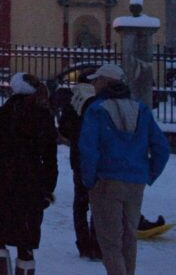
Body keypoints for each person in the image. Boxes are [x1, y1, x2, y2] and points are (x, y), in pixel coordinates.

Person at [80, 63, 170, 275]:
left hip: (106, 181)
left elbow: (88, 148)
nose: (93, 83)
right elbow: (162, 148)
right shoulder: (141, 109)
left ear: (106, 82)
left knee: (110, 242)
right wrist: (148, 174)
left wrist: (89, 179)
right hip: (135, 182)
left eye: (97, 79)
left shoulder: (96, 110)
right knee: (129, 237)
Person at [0, 73, 57, 275]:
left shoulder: (6, 112)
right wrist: (47, 188)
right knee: (25, 242)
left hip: (5, 180)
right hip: (33, 183)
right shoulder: (44, 115)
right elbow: (50, 158)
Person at [58, 74, 103, 260]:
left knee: (80, 203)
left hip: (78, 158)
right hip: (99, 158)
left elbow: (63, 130)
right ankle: (97, 243)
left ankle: (83, 244)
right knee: (98, 203)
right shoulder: (99, 102)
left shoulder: (73, 101)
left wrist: (74, 139)